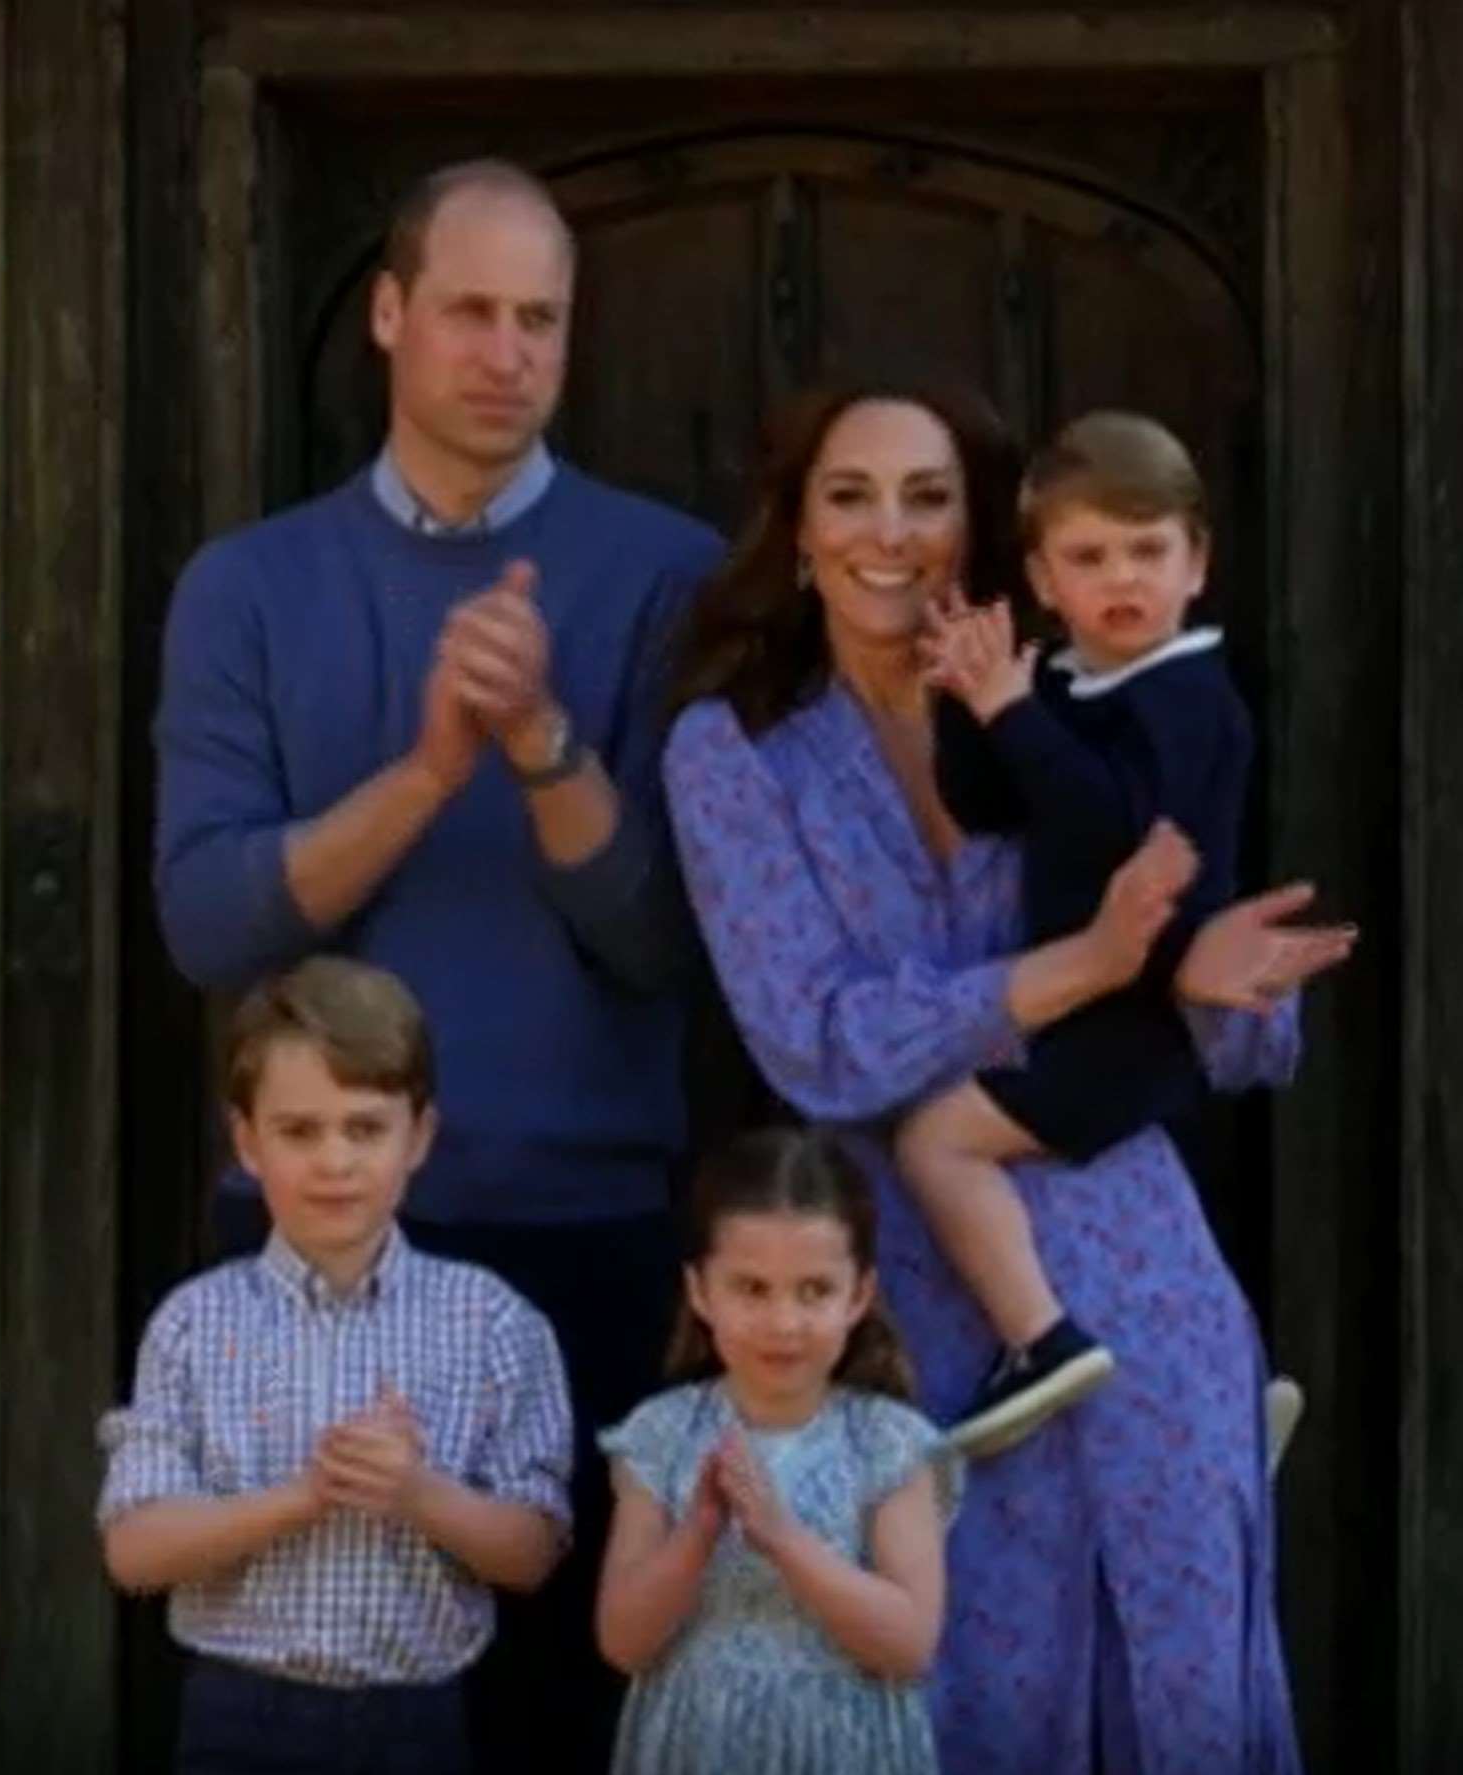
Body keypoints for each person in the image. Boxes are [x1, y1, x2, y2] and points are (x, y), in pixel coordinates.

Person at [662, 383, 1355, 1773]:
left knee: (1177, 1675)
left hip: (1140, 1265)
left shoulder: (1084, 700)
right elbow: (812, 1037)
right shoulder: (732, 751)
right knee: (962, 1685)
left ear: (979, 534)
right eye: (849, 494)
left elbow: (1233, 1030)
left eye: (927, 496)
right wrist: (1085, 964)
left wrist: (1207, 971)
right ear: (796, 530)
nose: (890, 532)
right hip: (902, 1298)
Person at [152, 158, 721, 1771]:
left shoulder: (666, 575)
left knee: (565, 1709)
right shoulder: (249, 588)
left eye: (539, 318)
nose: (506, 351)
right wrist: (421, 771)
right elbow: (209, 925)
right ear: (389, 315)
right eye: (468, 309)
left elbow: (662, 942)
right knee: (318, 1694)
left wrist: (541, 741)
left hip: (587, 1228)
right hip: (311, 1241)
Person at [95, 957, 574, 1775]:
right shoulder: (193, 1323)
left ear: (418, 1135)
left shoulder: (492, 1320)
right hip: (239, 1712)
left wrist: (414, 1493)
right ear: (246, 1140)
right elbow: (134, 1551)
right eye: (300, 1129)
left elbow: (534, 1550)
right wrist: (305, 1496)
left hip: (420, 1716)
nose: (335, 1161)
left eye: (364, 1126)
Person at [895, 411, 1257, 1457]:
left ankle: (1041, 1340)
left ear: (1197, 562)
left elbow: (1112, 831)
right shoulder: (1068, 681)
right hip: (1085, 1007)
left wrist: (1013, 709)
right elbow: (992, 803)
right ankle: (1210, 1392)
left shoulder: (1192, 698)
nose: (1122, 578)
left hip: (1136, 1015)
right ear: (1046, 581)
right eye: (1089, 556)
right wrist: (960, 699)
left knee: (937, 1138)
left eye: (1149, 550)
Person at [595, 1125, 960, 1775]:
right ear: (701, 1291)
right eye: (752, 1288)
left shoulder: (889, 1443)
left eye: (814, 1289)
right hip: (697, 1740)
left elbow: (909, 1643)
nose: (784, 1322)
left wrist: (782, 1537)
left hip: (843, 1743)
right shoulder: (663, 1434)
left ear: (860, 1294)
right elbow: (622, 1640)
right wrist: (700, 1531)